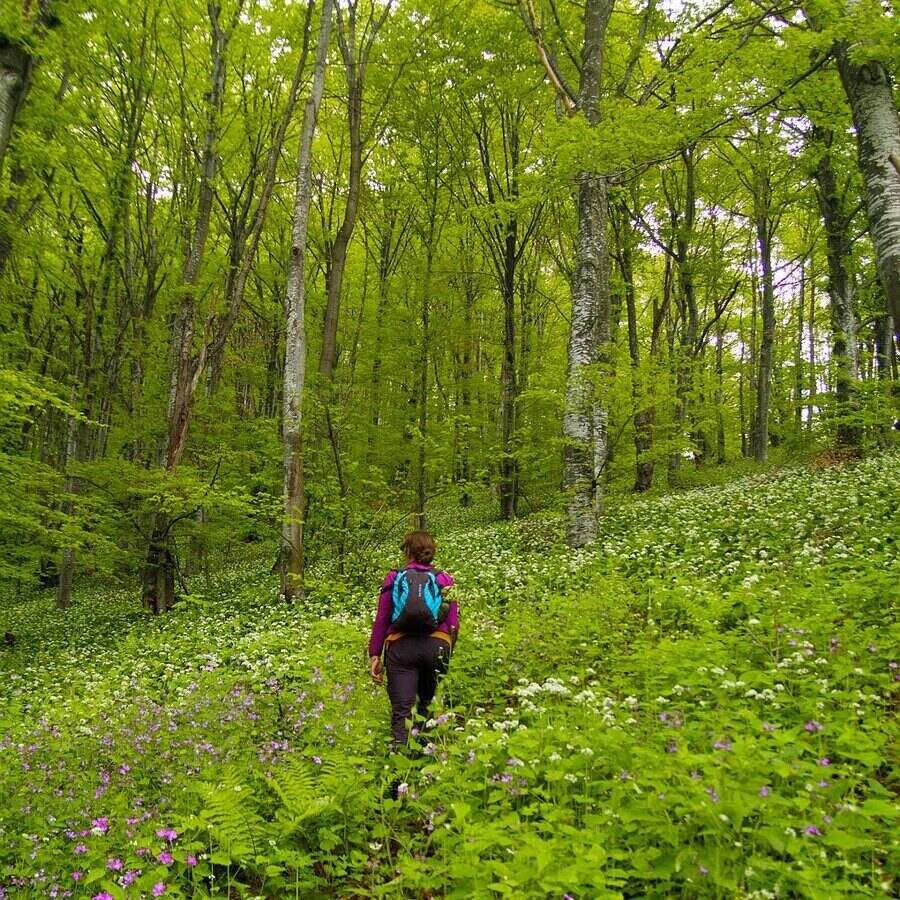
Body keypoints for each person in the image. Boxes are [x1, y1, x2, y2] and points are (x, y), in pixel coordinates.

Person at [368, 530, 458, 749]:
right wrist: (446, 651)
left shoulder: (394, 577)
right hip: (437, 647)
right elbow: (454, 622)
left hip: (401, 648)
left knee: (402, 713)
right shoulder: (444, 578)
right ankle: (425, 765)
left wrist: (375, 655)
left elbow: (382, 617)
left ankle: (398, 774)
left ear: (408, 552)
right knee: (427, 706)